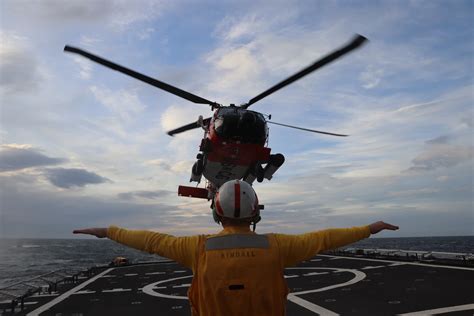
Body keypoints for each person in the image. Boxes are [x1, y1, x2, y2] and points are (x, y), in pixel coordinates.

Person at [74, 179, 398, 316]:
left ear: (216, 211)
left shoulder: (196, 248)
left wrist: (108, 231)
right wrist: (369, 229)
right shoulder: (277, 246)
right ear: (256, 212)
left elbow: (151, 241)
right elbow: (325, 239)